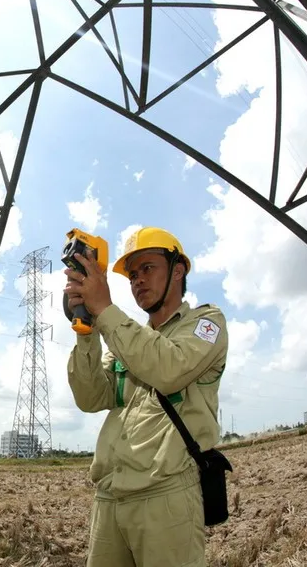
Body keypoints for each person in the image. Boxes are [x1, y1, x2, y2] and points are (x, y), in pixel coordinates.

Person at [64, 227, 228, 567]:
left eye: (147, 268)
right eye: (132, 274)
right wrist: (87, 329)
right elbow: (90, 397)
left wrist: (105, 308)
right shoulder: (126, 339)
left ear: (178, 271)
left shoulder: (206, 322)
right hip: (110, 497)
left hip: (165, 496)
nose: (138, 280)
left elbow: (168, 369)